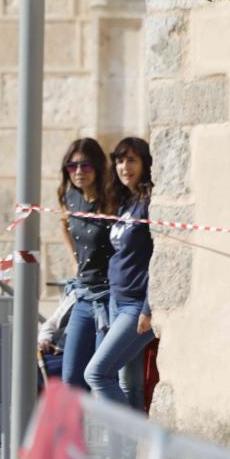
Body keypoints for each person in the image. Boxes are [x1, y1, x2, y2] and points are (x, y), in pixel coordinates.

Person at [85, 138, 156, 408]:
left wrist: (148, 308)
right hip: (117, 300)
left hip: (137, 305)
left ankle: (126, 445)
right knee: (129, 383)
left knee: (97, 373)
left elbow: (158, 258)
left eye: (131, 160)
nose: (124, 167)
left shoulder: (150, 204)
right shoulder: (127, 203)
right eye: (119, 160)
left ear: (145, 164)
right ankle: (137, 450)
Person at [57, 138, 114, 392]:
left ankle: (105, 432)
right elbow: (64, 225)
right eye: (72, 166)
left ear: (99, 167)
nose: (78, 172)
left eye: (85, 166)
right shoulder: (69, 197)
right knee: (71, 377)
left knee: (100, 377)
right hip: (83, 295)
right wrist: (73, 260)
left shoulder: (111, 201)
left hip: (109, 296)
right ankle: (78, 432)